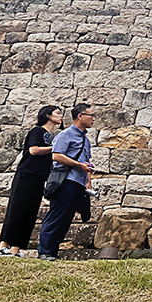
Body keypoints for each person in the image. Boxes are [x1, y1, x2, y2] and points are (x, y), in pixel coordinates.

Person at [0, 106, 63, 257]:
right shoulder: (37, 131)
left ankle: (16, 248)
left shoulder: (53, 135)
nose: (61, 117)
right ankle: (3, 245)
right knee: (17, 209)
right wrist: (54, 149)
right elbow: (33, 150)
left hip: (39, 178)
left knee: (30, 212)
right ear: (47, 115)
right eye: (58, 113)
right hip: (26, 175)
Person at [37, 103, 95, 261]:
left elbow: (86, 162)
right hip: (65, 181)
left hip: (78, 182)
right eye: (91, 115)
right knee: (56, 215)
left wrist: (88, 183)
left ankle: (52, 252)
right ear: (80, 116)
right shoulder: (65, 135)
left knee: (66, 218)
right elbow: (56, 156)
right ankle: (45, 251)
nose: (93, 119)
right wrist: (78, 165)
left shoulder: (86, 140)